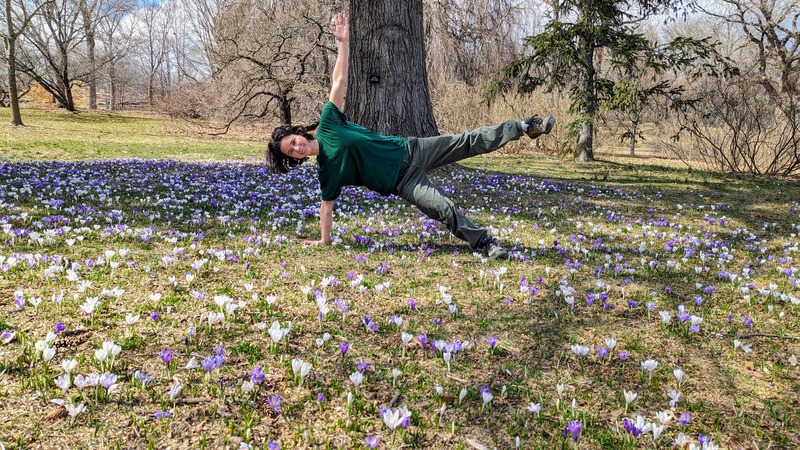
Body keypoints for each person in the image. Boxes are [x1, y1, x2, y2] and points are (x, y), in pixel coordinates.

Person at [266, 13, 555, 259]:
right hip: (403, 181)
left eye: (293, 142)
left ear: (298, 132)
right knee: (442, 208)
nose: (298, 148)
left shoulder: (328, 122)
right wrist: (323, 240)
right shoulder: (326, 172)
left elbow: (339, 81)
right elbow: (326, 208)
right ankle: (486, 243)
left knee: (466, 142)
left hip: (410, 149)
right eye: (292, 152)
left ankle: (521, 127)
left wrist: (343, 43)